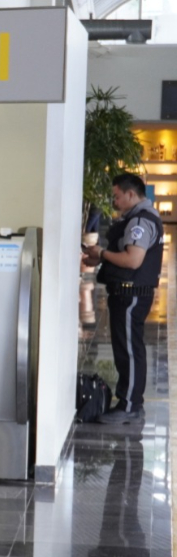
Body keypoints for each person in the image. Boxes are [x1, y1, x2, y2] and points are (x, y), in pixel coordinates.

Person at [82, 173, 164, 424]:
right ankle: (129, 403)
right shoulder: (136, 218)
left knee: (129, 351)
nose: (114, 201)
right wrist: (97, 256)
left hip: (132, 294)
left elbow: (133, 260)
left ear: (131, 194)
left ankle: (129, 405)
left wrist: (103, 253)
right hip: (127, 292)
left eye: (117, 196)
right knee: (126, 349)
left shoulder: (141, 221)